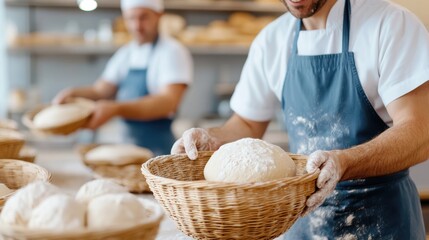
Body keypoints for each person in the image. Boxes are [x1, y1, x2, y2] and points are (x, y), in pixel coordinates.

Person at [171, 0, 429, 238]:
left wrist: (344, 163)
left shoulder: (390, 25)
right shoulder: (272, 40)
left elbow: (420, 131)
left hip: (382, 223)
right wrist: (213, 139)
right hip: (302, 223)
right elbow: (247, 124)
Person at [53, 0, 193, 156]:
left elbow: (168, 102)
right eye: (131, 18)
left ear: (159, 16)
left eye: (143, 17)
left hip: (160, 151)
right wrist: (73, 93)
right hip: (127, 147)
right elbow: (101, 91)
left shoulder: (172, 51)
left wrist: (116, 108)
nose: (137, 26)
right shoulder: (125, 53)